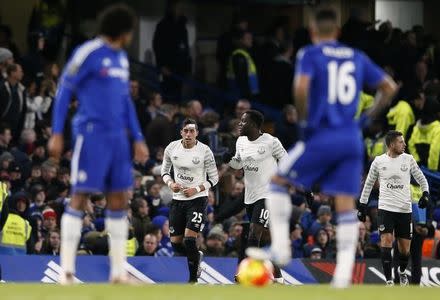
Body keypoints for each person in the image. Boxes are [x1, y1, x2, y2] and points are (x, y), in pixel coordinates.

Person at [247, 9, 397, 289]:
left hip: (323, 133)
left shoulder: (310, 54)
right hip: (351, 138)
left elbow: (301, 88)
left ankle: (280, 248)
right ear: (337, 32)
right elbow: (388, 87)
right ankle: (342, 275)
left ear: (314, 32)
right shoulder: (356, 56)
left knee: (278, 183)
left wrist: (304, 121)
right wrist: (365, 119)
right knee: (344, 203)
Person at [47, 4, 149, 284]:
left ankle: (118, 273)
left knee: (119, 199)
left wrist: (137, 137)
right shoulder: (88, 52)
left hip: (118, 138)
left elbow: (125, 99)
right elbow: (64, 89)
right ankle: (66, 271)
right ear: (123, 31)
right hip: (91, 135)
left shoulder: (122, 59)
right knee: (80, 195)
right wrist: (57, 132)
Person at [358, 130, 429, 286]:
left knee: (405, 250)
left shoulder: (408, 159)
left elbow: (422, 178)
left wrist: (425, 194)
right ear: (391, 144)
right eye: (400, 142)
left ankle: (402, 272)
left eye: (403, 141)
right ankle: (389, 281)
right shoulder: (378, 161)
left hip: (404, 210)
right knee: (387, 240)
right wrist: (362, 205)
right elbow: (369, 184)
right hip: (385, 208)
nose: (404, 144)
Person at [225, 110, 286, 283]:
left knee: (254, 233)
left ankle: (247, 274)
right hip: (250, 195)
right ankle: (279, 277)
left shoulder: (271, 142)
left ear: (253, 125)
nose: (239, 124)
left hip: (268, 194)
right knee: (262, 238)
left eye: (243, 121)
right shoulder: (241, 141)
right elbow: (238, 163)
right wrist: (229, 159)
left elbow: (286, 161)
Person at [161, 118, 219, 283]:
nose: (188, 134)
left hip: (198, 199)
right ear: (181, 132)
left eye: (192, 131)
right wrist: (170, 183)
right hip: (178, 199)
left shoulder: (205, 151)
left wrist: (197, 189)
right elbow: (164, 172)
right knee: (176, 244)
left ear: (197, 133)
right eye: (185, 130)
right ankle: (196, 255)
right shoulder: (172, 148)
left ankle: (193, 280)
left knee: (189, 239)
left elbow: (214, 178)